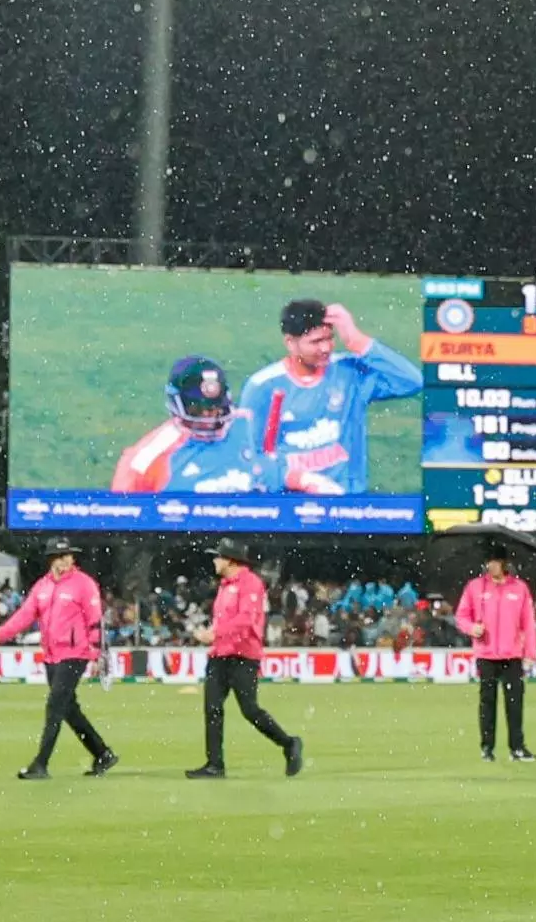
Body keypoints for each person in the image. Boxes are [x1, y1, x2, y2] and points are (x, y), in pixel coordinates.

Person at [239, 297, 425, 496]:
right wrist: (300, 480)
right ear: (290, 343)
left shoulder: (349, 373)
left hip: (348, 502)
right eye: (316, 341)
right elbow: (247, 457)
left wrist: (356, 341)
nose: (326, 348)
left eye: (329, 338)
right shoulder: (263, 387)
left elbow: (411, 382)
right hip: (288, 504)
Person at [0, 543, 116, 779]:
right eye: (58, 557)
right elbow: (24, 615)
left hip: (75, 654)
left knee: (55, 707)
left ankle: (40, 764)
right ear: (51, 560)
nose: (63, 561)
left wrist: (97, 652)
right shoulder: (43, 586)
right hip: (51, 656)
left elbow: (95, 620)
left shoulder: (84, 584)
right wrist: (0, 635)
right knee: (69, 710)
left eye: (66, 556)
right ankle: (102, 753)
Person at [189, 545, 302, 778]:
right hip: (220, 655)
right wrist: (211, 635)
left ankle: (289, 743)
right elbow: (228, 620)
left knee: (250, 710)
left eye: (218, 557)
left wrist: (215, 634)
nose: (214, 561)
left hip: (243, 656)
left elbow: (246, 620)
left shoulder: (251, 583)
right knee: (212, 708)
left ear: (231, 561)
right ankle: (214, 764)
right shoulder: (225, 586)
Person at [111, 356, 273, 495]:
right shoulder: (148, 457)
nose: (208, 414)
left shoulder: (248, 428)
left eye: (215, 406)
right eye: (198, 408)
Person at [458, 549, 536, 761]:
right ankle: (487, 748)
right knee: (487, 702)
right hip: (486, 654)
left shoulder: (519, 588)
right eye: (488, 561)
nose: (490, 566)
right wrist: (471, 628)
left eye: (494, 561)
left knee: (515, 703)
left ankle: (517, 748)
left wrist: (530, 652)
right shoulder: (475, 587)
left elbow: (528, 623)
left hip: (512, 655)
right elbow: (462, 615)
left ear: (504, 563)